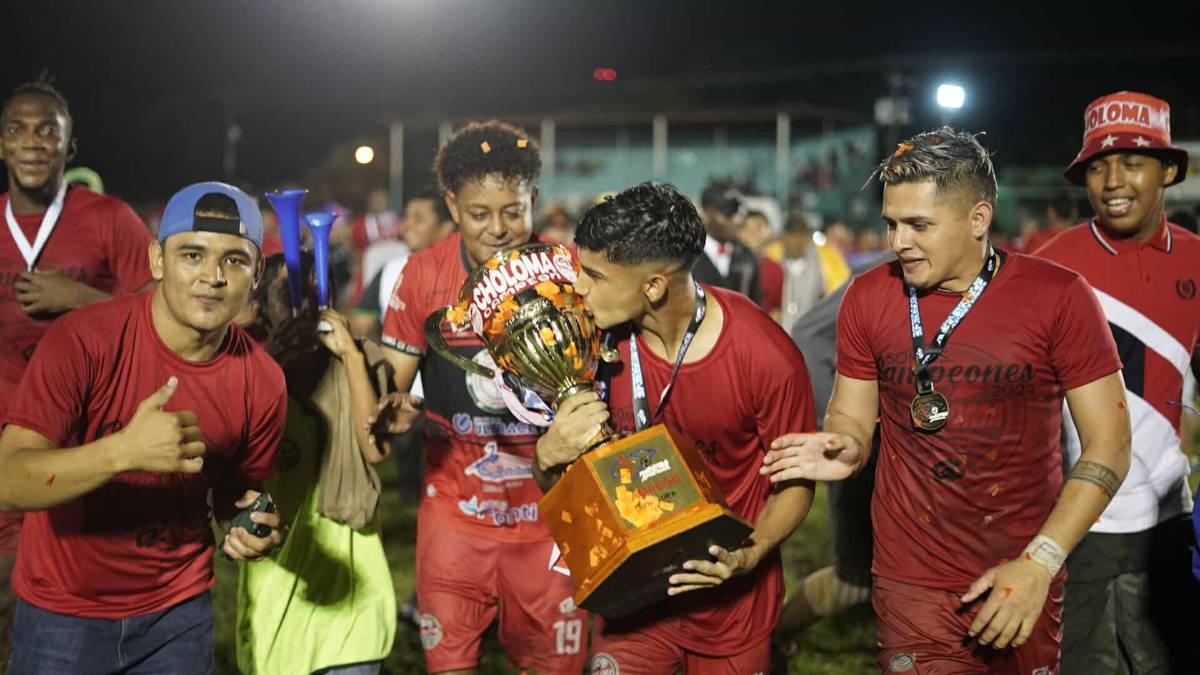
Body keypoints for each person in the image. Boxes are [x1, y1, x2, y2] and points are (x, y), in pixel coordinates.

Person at [763, 127, 1131, 674]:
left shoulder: (1058, 296)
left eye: (918, 225)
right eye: (891, 223)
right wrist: (844, 444)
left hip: (1021, 571)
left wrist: (1039, 564)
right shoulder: (867, 297)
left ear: (977, 220)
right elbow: (851, 416)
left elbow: (1110, 445)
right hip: (910, 579)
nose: (898, 241)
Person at [0, 181, 286, 674]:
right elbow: (9, 481)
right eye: (192, 255)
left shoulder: (262, 380)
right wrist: (123, 451)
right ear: (156, 261)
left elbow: (236, 493)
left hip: (179, 613)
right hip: (64, 612)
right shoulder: (83, 339)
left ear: (257, 272)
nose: (213, 277)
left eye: (234, 260)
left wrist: (250, 525)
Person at [533, 182, 818, 674]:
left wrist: (748, 555)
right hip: (632, 604)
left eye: (595, 275)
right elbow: (559, 488)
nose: (580, 288)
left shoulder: (765, 356)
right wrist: (546, 455)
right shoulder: (586, 343)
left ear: (653, 287)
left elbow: (794, 485)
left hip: (728, 604)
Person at [373, 121, 587, 674]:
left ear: (533, 199)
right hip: (454, 514)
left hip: (551, 517)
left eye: (513, 211)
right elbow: (390, 388)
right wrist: (388, 408)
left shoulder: (570, 272)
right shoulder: (422, 274)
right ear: (452, 203)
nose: (498, 229)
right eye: (478, 214)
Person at [1036, 91, 1200, 674]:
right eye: (1098, 166)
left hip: (1169, 517)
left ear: (1170, 171)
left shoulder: (1198, 262)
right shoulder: (1050, 263)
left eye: (1132, 161)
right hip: (1080, 517)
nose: (1113, 180)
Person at [0, 76, 155, 668]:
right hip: (6, 445)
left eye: (48, 131)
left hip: (78, 452)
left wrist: (81, 298)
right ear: (3, 143)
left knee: (52, 613)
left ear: (71, 145)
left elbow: (163, 317)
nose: (33, 142)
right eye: (18, 130)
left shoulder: (109, 219)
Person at [235, 252, 396, 675]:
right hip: (279, 591)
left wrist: (351, 359)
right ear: (256, 308)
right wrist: (269, 364)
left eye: (314, 292)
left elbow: (375, 450)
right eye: (286, 294)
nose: (302, 306)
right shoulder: (242, 374)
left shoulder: (362, 359)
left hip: (354, 602)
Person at [350, 186, 455, 340]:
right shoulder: (391, 271)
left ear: (447, 226)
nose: (406, 226)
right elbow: (359, 327)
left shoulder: (465, 270)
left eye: (418, 219)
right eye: (406, 218)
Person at [693, 181, 762, 304]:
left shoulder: (746, 257)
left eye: (735, 214)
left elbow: (756, 305)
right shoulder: (687, 256)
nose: (734, 221)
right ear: (707, 213)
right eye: (727, 214)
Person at [738, 209, 785, 321]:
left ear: (768, 231)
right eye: (748, 228)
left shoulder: (776, 270)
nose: (753, 233)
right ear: (740, 232)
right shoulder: (729, 264)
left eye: (758, 227)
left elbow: (776, 310)